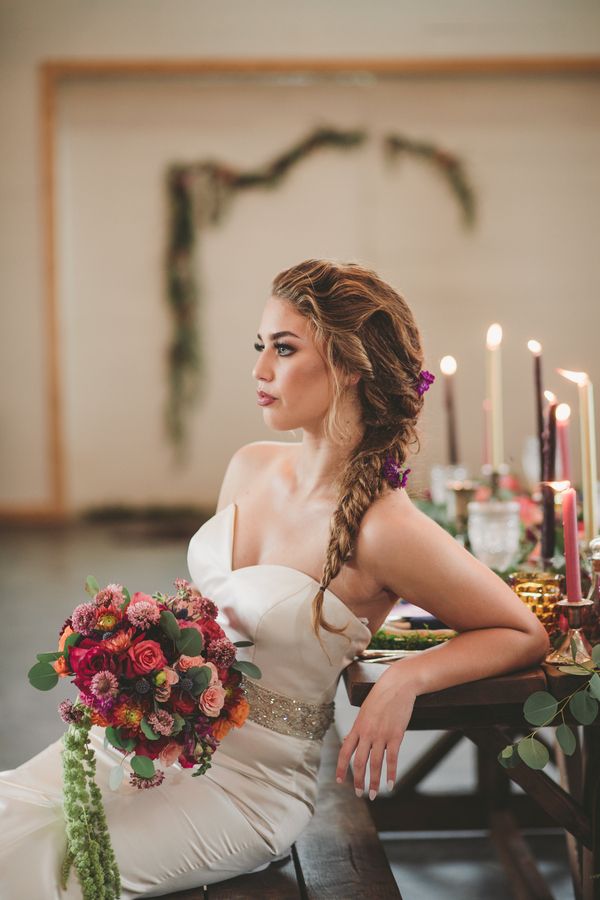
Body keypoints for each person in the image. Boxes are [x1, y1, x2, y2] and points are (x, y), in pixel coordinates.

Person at [0, 259, 549, 898]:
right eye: (260, 347)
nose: (260, 371)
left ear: (350, 365)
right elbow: (206, 622)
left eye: (284, 350)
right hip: (154, 745)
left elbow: (521, 629)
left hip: (245, 791)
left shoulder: (386, 529)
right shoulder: (249, 466)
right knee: (12, 823)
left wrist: (407, 676)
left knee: (51, 866)